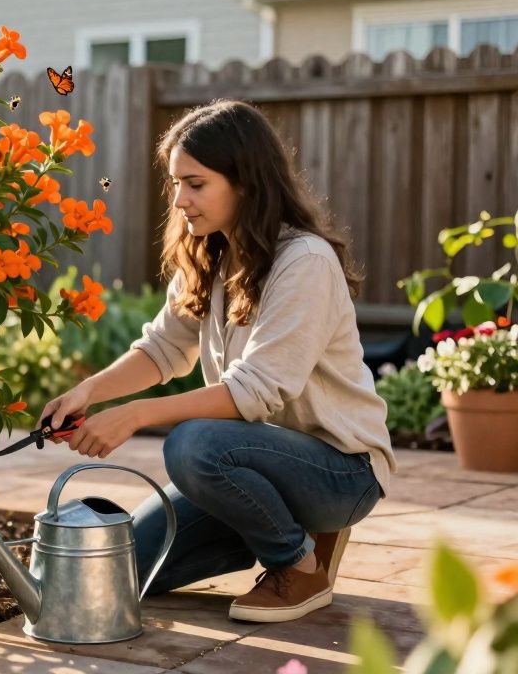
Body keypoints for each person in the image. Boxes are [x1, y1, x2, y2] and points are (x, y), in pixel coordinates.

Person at [36, 100, 394, 623]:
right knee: (125, 566)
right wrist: (89, 392)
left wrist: (133, 415)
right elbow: (162, 350)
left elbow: (255, 391)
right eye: (176, 183)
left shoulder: (305, 262)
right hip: (252, 462)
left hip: (338, 471)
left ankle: (297, 566)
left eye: (196, 183)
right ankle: (261, 527)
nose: (180, 199)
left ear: (245, 181)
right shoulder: (212, 257)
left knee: (193, 442)